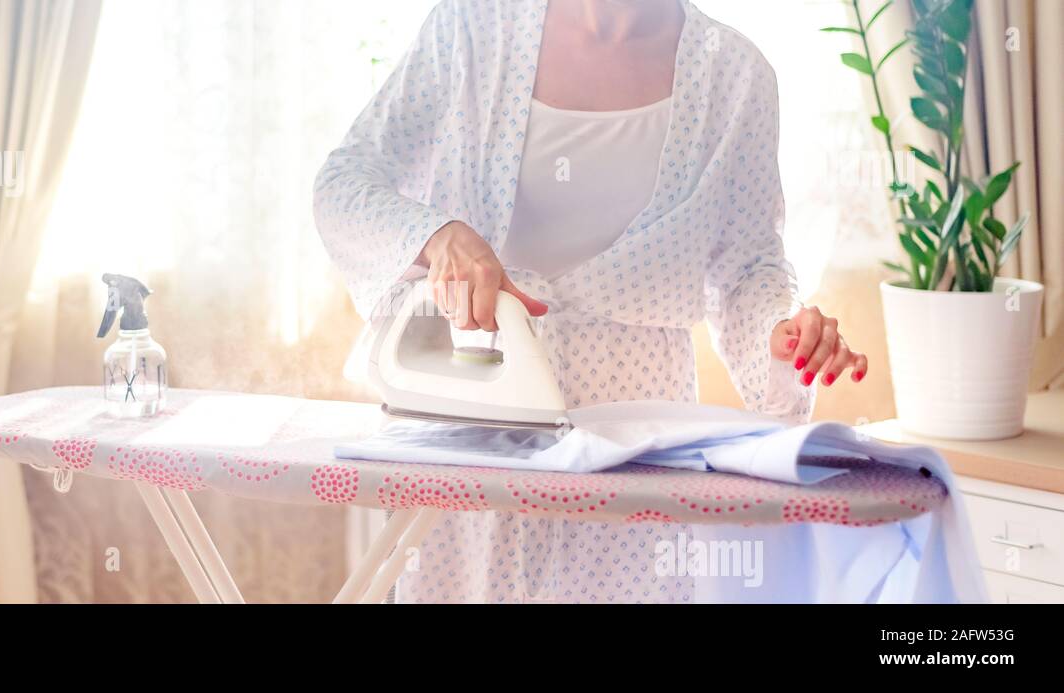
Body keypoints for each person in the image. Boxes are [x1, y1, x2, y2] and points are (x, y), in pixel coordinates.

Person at [314, 0, 868, 603]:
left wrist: (781, 332)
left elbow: (747, 269)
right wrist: (437, 237)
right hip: (476, 424)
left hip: (637, 448)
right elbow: (343, 186)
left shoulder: (733, 74)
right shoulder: (472, 28)